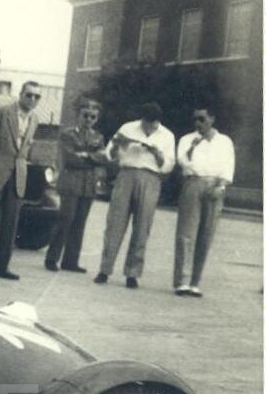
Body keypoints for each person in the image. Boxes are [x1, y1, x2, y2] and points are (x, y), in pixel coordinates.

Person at [95, 102, 175, 289]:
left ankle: (132, 273)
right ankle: (105, 269)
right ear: (142, 119)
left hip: (150, 178)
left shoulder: (167, 135)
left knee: (142, 227)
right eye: (146, 122)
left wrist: (157, 154)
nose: (149, 126)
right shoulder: (128, 128)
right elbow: (110, 155)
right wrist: (118, 145)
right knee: (115, 224)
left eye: (153, 123)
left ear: (158, 121)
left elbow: (168, 166)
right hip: (127, 174)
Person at [0, 79, 40, 280]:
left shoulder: (35, 119)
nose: (32, 99)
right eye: (29, 95)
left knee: (10, 223)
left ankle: (1, 266)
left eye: (37, 96)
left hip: (18, 174)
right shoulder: (2, 112)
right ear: (20, 95)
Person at [173, 105, 235, 297]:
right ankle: (182, 281)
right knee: (186, 233)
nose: (198, 123)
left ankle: (195, 282)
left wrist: (221, 186)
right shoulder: (187, 139)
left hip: (214, 186)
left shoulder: (224, 141)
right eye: (195, 119)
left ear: (212, 119)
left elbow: (228, 166)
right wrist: (194, 146)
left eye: (202, 119)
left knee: (206, 235)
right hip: (193, 183)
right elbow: (183, 161)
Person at [44, 98, 106, 273]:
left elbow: (103, 158)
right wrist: (92, 158)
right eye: (85, 115)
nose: (89, 120)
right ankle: (52, 258)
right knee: (65, 220)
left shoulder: (98, 136)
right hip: (71, 182)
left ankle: (71, 261)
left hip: (88, 185)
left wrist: (86, 156)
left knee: (80, 223)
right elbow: (71, 159)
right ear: (78, 115)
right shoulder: (68, 134)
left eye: (93, 117)